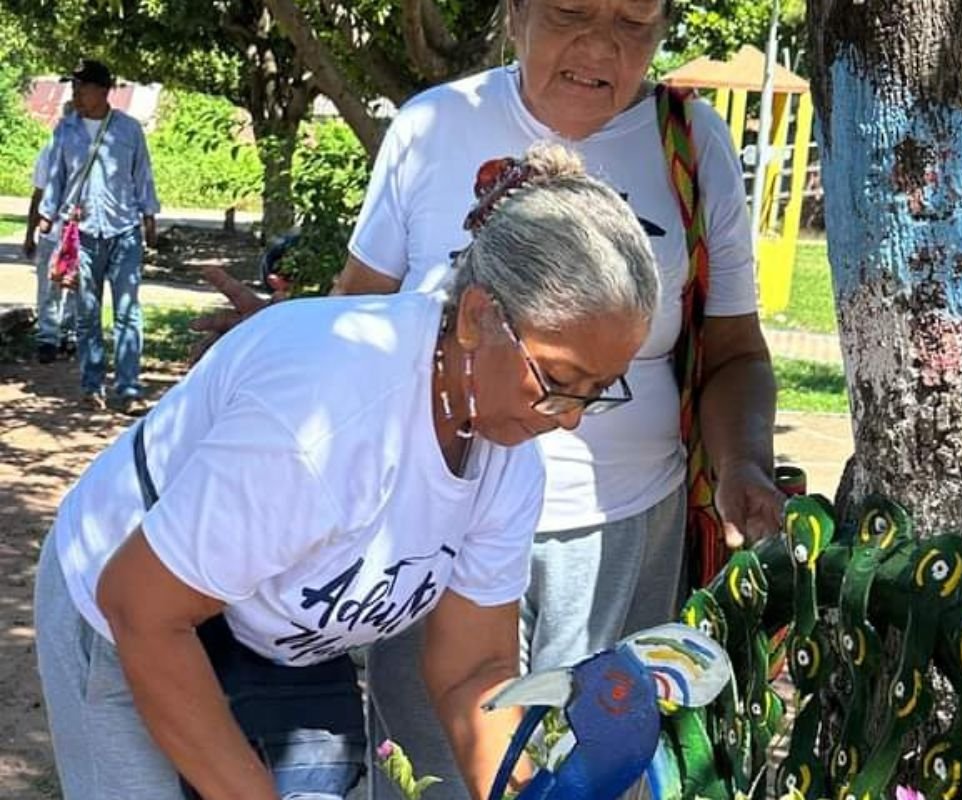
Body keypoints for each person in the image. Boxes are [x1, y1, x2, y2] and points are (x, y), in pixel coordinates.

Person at [193, 1, 783, 794]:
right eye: (572, 12)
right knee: (436, 764)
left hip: (622, 535)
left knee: (597, 766)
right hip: (433, 526)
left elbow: (736, 350)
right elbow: (357, 312)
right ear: (515, 15)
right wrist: (283, 347)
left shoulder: (690, 144)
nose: (602, 44)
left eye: (636, 23)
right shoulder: (435, 126)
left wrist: (744, 463)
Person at [34, 144, 659, 800]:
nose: (569, 419)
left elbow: (474, 668)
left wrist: (525, 793)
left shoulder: (507, 453)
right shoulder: (326, 422)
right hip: (130, 609)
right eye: (558, 380)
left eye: (597, 389)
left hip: (267, 636)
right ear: (478, 317)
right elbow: (144, 609)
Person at [38, 59, 160, 413]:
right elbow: (56, 176)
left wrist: (149, 218)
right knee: (87, 313)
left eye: (81, 87)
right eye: (73, 87)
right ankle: (92, 385)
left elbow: (143, 175)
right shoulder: (65, 129)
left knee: (127, 312)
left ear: (104, 91)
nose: (75, 93)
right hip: (82, 234)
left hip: (123, 231)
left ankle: (129, 388)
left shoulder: (128, 130)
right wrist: (47, 218)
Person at [24, 125, 78, 364]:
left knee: (77, 285)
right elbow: (39, 193)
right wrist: (30, 232)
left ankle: (70, 335)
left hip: (81, 231)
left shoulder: (94, 152)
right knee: (49, 287)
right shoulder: (50, 151)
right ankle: (48, 338)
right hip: (53, 231)